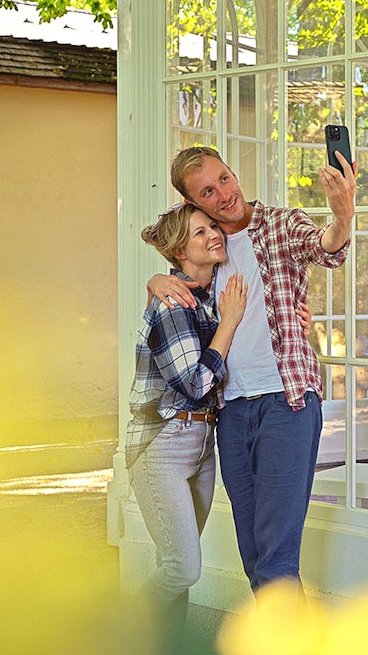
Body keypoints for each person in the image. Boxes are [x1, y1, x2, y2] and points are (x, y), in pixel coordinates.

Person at [147, 144, 356, 593]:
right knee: (255, 557)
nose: (223, 194)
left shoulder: (282, 223)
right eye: (207, 190)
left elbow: (326, 248)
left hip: (287, 402)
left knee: (277, 559)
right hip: (232, 412)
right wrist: (157, 278)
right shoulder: (208, 252)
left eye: (225, 179)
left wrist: (342, 216)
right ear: (192, 203)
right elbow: (173, 264)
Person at [125, 203, 247, 646]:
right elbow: (195, 382)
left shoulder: (207, 295)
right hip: (163, 443)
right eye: (200, 232)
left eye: (213, 226)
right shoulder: (172, 304)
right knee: (182, 568)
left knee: (172, 563)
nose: (214, 233)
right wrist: (230, 324)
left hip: (201, 443)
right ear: (179, 249)